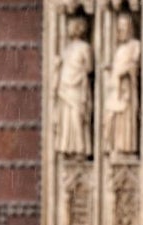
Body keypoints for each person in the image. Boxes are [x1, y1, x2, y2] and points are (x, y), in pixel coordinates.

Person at [54, 15, 94, 157]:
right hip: (66, 87)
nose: (69, 29)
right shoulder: (67, 49)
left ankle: (80, 149)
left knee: (77, 118)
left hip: (77, 87)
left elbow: (89, 68)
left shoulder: (85, 47)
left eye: (71, 26)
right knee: (67, 118)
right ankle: (67, 148)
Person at [104, 12, 140, 156]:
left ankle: (126, 149)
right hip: (115, 90)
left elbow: (135, 65)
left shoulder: (136, 45)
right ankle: (114, 147)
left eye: (123, 26)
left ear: (130, 28)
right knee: (110, 119)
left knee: (125, 118)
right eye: (118, 27)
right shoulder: (119, 49)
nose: (120, 30)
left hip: (126, 90)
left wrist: (123, 71)